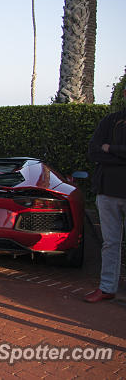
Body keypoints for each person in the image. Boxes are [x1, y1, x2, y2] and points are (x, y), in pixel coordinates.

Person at [84, 87, 126, 303]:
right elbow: (93, 151)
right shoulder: (110, 121)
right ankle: (107, 287)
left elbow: (102, 151)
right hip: (107, 191)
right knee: (110, 243)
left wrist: (111, 149)